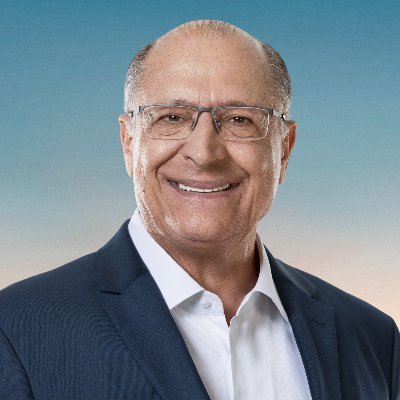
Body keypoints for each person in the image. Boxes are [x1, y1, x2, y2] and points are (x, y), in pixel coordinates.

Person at [0, 20, 398, 400]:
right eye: (172, 117)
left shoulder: (373, 338)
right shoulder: (17, 330)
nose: (204, 153)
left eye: (239, 119)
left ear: (284, 149)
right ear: (129, 142)